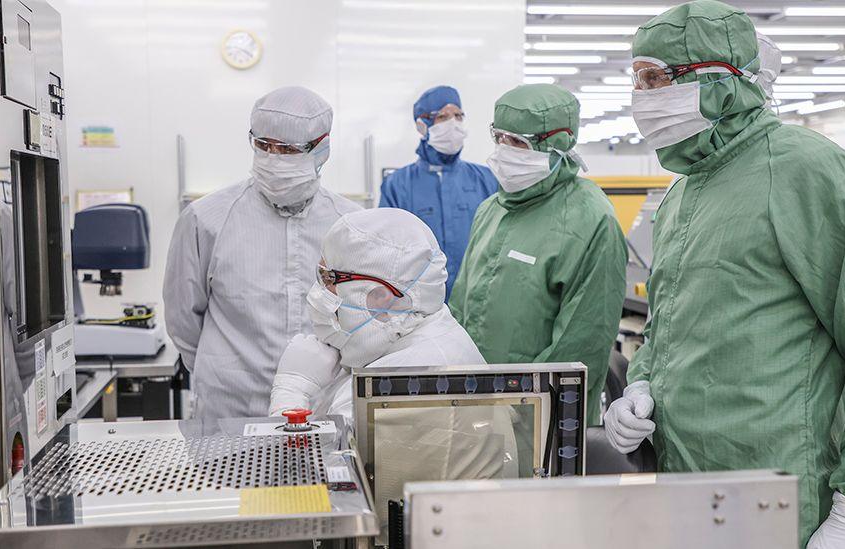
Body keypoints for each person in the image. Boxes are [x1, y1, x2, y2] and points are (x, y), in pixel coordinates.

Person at [603, 2, 845, 548]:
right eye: (636, 78)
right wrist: (642, 384)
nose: (642, 96)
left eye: (656, 77)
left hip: (783, 493)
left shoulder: (805, 169)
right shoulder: (685, 191)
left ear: (719, 81)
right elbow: (671, 320)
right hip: (688, 482)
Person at [163, 86, 361, 420]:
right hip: (230, 410)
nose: (273, 159)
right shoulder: (206, 220)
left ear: (321, 148)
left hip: (320, 411)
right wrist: (225, 372)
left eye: (288, 149)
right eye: (263, 146)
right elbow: (183, 319)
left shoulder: (350, 226)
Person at [449, 84, 628, 426]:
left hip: (540, 418)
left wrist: (518, 407)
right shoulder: (491, 210)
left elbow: (582, 341)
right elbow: (461, 309)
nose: (504, 151)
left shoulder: (590, 220)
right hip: (474, 406)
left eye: (518, 143)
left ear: (556, 144)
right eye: (500, 138)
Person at [268, 207, 485, 420]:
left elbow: (312, 455)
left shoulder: (394, 383)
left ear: (380, 296)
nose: (319, 290)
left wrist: (291, 391)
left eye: (328, 278)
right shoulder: (426, 332)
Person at [379, 86, 499, 301]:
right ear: (421, 126)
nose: (452, 123)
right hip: (419, 306)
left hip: (477, 301)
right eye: (442, 117)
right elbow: (386, 251)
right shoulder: (397, 185)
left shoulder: (487, 179)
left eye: (458, 115)